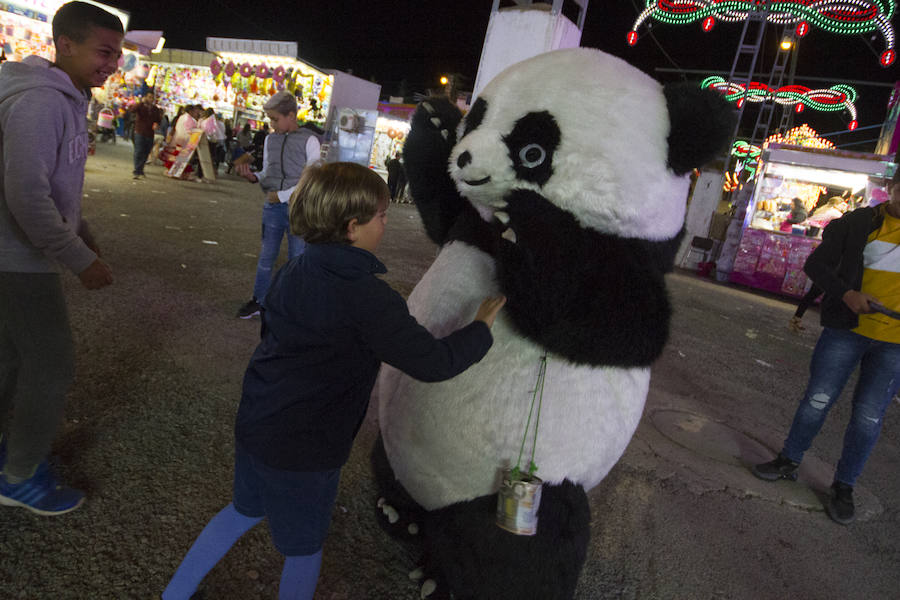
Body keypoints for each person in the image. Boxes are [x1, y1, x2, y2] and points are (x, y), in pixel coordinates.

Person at [162, 161, 505, 600]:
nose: (386, 223)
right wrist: (479, 328)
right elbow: (432, 362)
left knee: (242, 510)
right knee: (304, 549)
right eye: (381, 216)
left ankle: (175, 592)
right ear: (352, 227)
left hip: (257, 422)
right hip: (307, 446)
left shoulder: (292, 272)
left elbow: (272, 340)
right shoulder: (369, 298)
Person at [0, 1, 122, 516]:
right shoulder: (43, 103)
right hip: (16, 257)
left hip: (15, 253)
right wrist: (78, 257)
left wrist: (83, 231)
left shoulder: (65, 99)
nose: (112, 63)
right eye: (103, 51)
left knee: (11, 358)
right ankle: (21, 475)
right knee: (51, 364)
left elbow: (55, 185)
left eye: (116, 53)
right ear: (65, 44)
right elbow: (27, 195)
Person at [753, 170, 900, 525]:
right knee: (817, 400)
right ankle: (789, 460)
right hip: (846, 331)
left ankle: (844, 486)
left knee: (868, 417)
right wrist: (847, 294)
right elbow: (815, 265)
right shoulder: (859, 223)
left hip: (894, 345)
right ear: (893, 190)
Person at [235, 92, 321, 319]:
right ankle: (259, 300)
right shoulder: (270, 139)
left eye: (274, 119)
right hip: (272, 208)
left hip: (299, 210)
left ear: (291, 115)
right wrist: (253, 177)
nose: (271, 125)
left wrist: (282, 196)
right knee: (266, 257)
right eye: (270, 120)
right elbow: (267, 172)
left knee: (298, 259)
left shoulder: (310, 140)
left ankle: (294, 308)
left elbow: (310, 179)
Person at [129, 91, 162, 180]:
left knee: (146, 152)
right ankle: (137, 170)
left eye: (152, 98)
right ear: (146, 97)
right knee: (139, 151)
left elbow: (158, 120)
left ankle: (140, 169)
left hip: (150, 133)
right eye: (149, 97)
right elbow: (132, 110)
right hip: (140, 131)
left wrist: (156, 124)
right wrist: (141, 102)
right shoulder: (141, 106)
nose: (150, 99)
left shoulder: (155, 109)